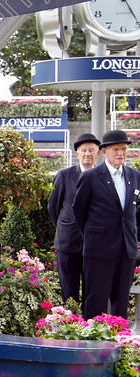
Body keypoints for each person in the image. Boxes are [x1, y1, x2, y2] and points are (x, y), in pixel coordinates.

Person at [72, 129, 140, 319]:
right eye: (116, 149)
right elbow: (79, 211)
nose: (121, 153)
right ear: (104, 152)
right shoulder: (91, 177)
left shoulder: (134, 176)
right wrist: (94, 236)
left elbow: (132, 212)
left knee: (121, 301)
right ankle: (92, 345)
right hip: (98, 250)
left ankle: (119, 342)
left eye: (124, 149)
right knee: (96, 301)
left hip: (126, 249)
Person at [47, 133, 99, 308]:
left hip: (94, 244)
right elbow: (53, 207)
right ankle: (70, 326)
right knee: (68, 292)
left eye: (91, 150)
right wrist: (65, 226)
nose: (87, 154)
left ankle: (89, 326)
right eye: (83, 150)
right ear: (77, 154)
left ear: (98, 154)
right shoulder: (64, 175)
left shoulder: (102, 177)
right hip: (67, 242)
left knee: (92, 291)